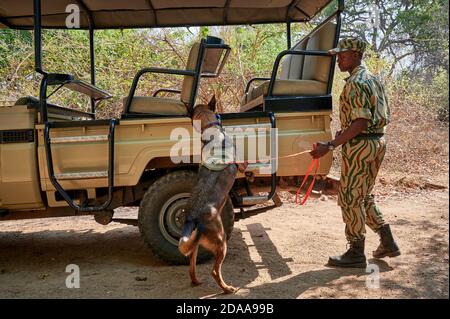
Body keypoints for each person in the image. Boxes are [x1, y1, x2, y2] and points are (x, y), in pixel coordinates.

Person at [310, 38, 401, 268]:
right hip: (377, 141)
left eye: (343, 54)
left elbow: (360, 122)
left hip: (360, 146)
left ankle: (355, 252)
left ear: (356, 55)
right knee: (364, 195)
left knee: (350, 197)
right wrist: (343, 134)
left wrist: (330, 145)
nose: (339, 58)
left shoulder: (355, 83)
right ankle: (387, 240)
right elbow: (368, 118)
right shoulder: (372, 79)